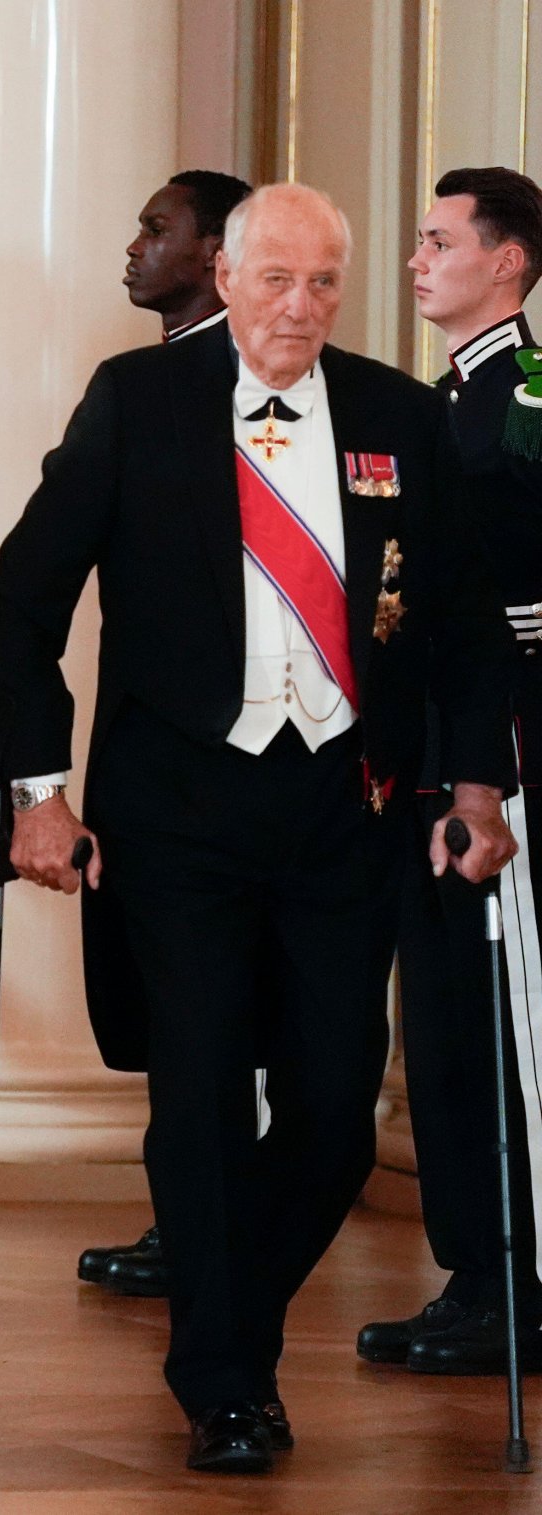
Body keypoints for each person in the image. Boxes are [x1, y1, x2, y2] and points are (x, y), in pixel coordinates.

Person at [0, 182, 518, 1474]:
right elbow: (22, 598)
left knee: (337, 1108)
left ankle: (228, 1309)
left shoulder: (396, 412)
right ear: (224, 276)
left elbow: (459, 623)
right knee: (205, 1094)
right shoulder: (138, 400)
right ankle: (228, 1379)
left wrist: (475, 786)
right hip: (179, 817)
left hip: (349, 806)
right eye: (276, 278)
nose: (300, 307)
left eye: (324, 282)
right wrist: (36, 791)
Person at [358, 167, 542, 1375]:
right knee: (442, 1017)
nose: (418, 261)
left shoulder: (522, 399)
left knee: (495, 1021)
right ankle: (477, 1269)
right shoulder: (446, 402)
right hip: (433, 752)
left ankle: (512, 1279)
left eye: (441, 242)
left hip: (505, 753)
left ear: (508, 262)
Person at [79, 168, 252, 1301]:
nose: (134, 246)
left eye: (158, 229)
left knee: (226, 1017)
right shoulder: (139, 384)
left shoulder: (256, 383)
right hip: (146, 747)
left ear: (216, 253)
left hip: (239, 766)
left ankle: (219, 1235)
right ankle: (187, 1219)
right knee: (169, 1007)